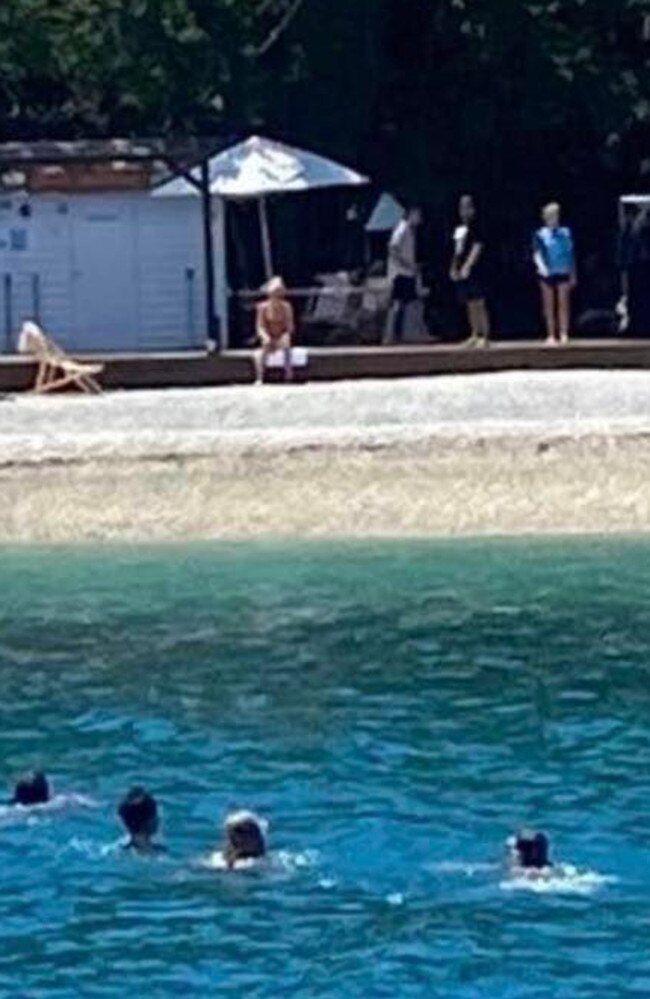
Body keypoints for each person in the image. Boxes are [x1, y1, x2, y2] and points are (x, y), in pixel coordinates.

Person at [450, 194, 491, 347]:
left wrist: (468, 265)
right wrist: (454, 266)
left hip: (476, 269)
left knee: (479, 301)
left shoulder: (477, 226)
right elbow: (457, 250)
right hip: (462, 269)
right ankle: (474, 333)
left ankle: (484, 335)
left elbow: (477, 246)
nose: (464, 211)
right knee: (469, 302)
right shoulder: (460, 228)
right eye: (461, 207)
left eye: (467, 207)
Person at [533, 202, 576, 345]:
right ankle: (551, 334)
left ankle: (564, 333)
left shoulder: (566, 233)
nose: (554, 218)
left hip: (562, 271)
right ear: (545, 217)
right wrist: (543, 269)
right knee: (548, 305)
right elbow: (537, 253)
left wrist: (572, 273)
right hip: (546, 273)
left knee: (563, 303)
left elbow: (570, 254)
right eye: (551, 215)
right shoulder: (540, 234)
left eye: (556, 215)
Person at [384, 205, 422, 344]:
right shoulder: (403, 228)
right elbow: (393, 248)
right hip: (401, 273)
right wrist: (406, 264)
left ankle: (401, 333)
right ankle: (394, 334)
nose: (419, 219)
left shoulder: (410, 230)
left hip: (407, 272)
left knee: (406, 303)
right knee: (398, 303)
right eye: (417, 215)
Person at [254, 276, 295, 386]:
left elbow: (290, 327)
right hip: (268, 338)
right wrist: (265, 336)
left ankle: (288, 375)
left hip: (281, 338)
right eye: (275, 293)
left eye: (279, 293)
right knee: (263, 349)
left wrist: (285, 336)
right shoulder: (262, 307)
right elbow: (259, 327)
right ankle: (260, 377)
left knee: (286, 343)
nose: (277, 296)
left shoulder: (287, 307)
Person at [118, 787, 164, 853]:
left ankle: (148, 843)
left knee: (151, 832)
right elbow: (122, 819)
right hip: (130, 814)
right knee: (134, 833)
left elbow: (153, 819)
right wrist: (133, 833)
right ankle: (135, 843)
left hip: (147, 814)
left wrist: (147, 832)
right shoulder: (124, 806)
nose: (134, 801)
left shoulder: (150, 802)